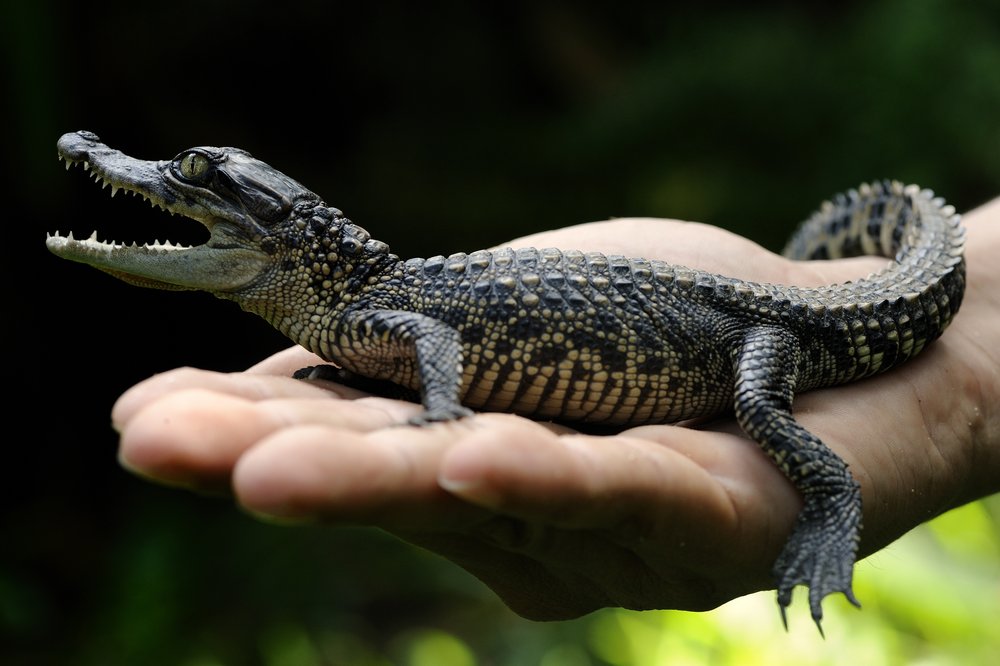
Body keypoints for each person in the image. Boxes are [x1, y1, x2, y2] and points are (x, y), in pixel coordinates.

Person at [111, 195, 1000, 621]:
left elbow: (435, 347)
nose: (158, 181)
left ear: (284, 236)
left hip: (755, 331)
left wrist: (441, 406)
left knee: (760, 410)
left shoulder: (369, 314)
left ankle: (832, 500)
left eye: (197, 177)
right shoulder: (355, 320)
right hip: (730, 315)